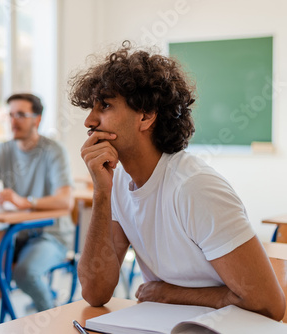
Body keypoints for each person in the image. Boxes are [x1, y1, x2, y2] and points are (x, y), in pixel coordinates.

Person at [69, 41, 285, 320]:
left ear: (146, 116)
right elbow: (95, 292)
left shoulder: (194, 188)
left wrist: (171, 293)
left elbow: (269, 305)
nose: (89, 120)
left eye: (105, 106)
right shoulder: (119, 181)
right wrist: (102, 193)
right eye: (91, 108)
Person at [0, 93, 74, 334]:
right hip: (15, 236)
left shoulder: (53, 151)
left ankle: (55, 325)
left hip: (51, 235)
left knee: (25, 272)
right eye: (10, 115)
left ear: (37, 120)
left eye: (21, 115)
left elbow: (66, 200)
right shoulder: (2, 152)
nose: (13, 121)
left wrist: (24, 201)